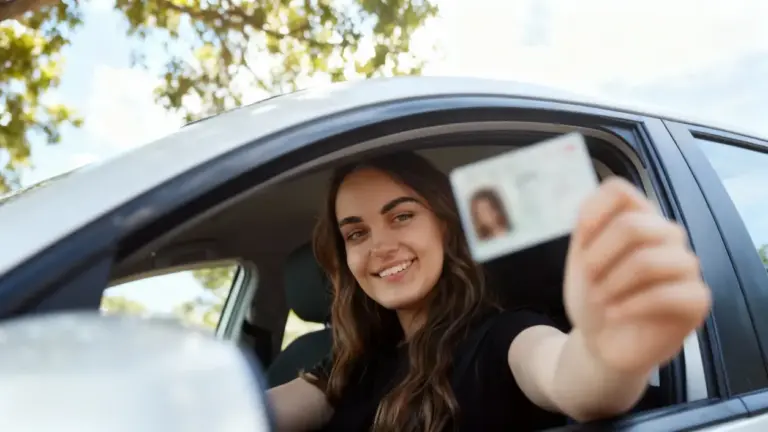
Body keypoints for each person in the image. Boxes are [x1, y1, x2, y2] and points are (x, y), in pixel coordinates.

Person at [267, 152, 711, 432]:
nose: (380, 247)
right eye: (357, 233)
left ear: (443, 225)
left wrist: (607, 343)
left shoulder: (505, 336)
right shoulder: (354, 362)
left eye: (401, 216)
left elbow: (569, 379)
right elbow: (253, 413)